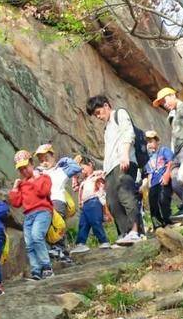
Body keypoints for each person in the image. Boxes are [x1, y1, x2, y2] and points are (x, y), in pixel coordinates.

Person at [85, 95, 143, 244]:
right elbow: (109, 150)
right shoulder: (107, 127)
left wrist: (124, 154)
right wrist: (104, 170)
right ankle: (125, 234)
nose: (98, 116)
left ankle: (136, 231)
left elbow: (128, 132)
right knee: (112, 201)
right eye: (95, 115)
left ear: (106, 105)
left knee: (126, 195)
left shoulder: (119, 114)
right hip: (111, 167)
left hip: (124, 161)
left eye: (98, 112)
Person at [152, 87, 183, 217]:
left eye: (165, 99)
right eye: (162, 102)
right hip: (177, 151)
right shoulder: (171, 117)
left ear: (172, 95)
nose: (164, 104)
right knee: (175, 179)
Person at [8, 149, 55, 279]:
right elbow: (16, 202)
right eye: (20, 169)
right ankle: (36, 269)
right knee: (29, 243)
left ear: (32, 164)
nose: (24, 171)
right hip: (28, 215)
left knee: (36, 236)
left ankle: (46, 266)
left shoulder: (44, 177)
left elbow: (42, 191)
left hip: (42, 211)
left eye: (25, 167)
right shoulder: (22, 184)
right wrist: (15, 188)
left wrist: (36, 177)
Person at [34, 144, 82, 264]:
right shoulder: (40, 173)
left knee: (57, 226)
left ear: (53, 156)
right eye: (41, 160)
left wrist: (64, 160)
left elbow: (76, 168)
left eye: (46, 159)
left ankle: (60, 250)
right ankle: (60, 253)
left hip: (57, 201)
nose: (44, 162)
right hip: (44, 204)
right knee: (48, 228)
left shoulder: (60, 170)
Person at [69, 157, 112, 253]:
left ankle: (104, 241)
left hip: (94, 200)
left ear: (90, 165)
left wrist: (97, 173)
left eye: (83, 167)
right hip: (85, 204)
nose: (81, 170)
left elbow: (104, 176)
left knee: (95, 221)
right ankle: (80, 243)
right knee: (83, 224)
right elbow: (75, 187)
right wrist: (75, 175)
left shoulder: (96, 175)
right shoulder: (83, 182)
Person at [143, 131, 175, 228]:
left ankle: (167, 220)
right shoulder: (147, 157)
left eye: (151, 141)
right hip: (153, 182)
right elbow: (148, 172)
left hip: (163, 179)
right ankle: (157, 223)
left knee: (163, 199)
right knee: (153, 202)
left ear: (157, 141)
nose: (149, 144)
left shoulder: (163, 150)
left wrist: (167, 174)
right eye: (147, 142)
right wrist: (148, 185)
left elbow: (171, 161)